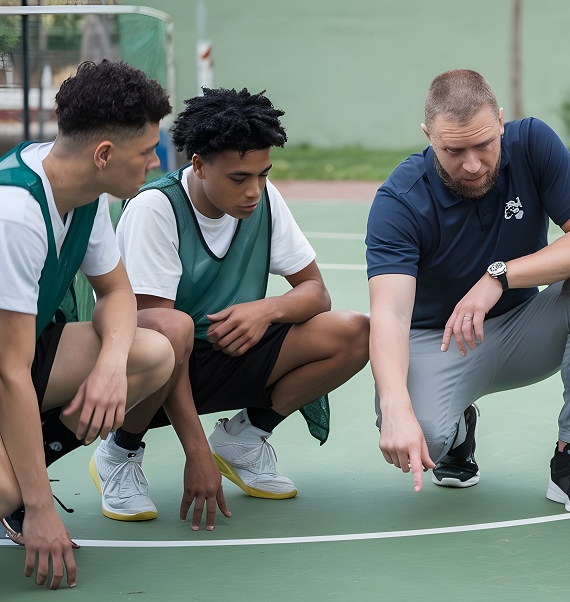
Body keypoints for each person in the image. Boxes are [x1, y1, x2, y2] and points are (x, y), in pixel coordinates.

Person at [97, 87, 370, 531]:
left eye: (263, 175)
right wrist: (196, 454)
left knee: (356, 332)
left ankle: (243, 441)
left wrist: (266, 310)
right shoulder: (155, 208)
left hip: (229, 353)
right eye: (240, 178)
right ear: (199, 165)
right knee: (173, 327)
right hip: (151, 373)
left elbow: (316, 293)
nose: (254, 190)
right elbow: (156, 334)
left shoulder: (264, 199)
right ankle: (120, 451)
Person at [365, 69, 570, 514]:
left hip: (523, 330)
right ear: (428, 136)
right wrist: (393, 406)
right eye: (453, 150)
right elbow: (388, 315)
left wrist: (498, 276)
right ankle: (458, 431)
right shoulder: (399, 200)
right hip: (439, 341)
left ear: (501, 121)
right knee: (422, 438)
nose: (472, 164)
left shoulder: (534, 144)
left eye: (484, 144)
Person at [0, 60, 175, 589]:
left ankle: (20, 470)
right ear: (105, 154)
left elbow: (117, 292)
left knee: (153, 353)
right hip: (9, 365)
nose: (154, 163)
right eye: (146, 152)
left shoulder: (84, 191)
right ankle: (20, 496)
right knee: (9, 493)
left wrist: (110, 366)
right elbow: (10, 373)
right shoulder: (15, 213)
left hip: (21, 357)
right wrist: (38, 508)